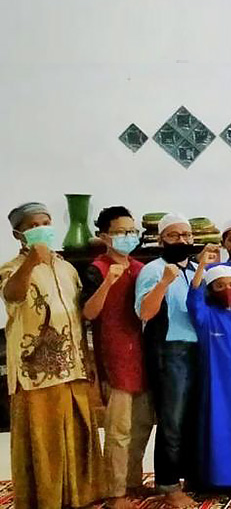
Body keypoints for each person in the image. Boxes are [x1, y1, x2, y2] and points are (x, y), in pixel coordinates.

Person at [2, 202, 104, 509]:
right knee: (44, 440)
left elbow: (77, 315)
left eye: (45, 223)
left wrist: (87, 357)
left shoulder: (66, 267)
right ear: (18, 234)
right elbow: (13, 295)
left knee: (78, 433)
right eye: (33, 226)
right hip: (36, 371)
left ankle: (81, 495)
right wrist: (31, 262)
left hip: (73, 364)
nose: (41, 229)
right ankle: (45, 499)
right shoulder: (11, 269)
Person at [81, 206, 153, 509]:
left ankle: (133, 480)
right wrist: (108, 282)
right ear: (104, 236)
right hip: (115, 354)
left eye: (132, 231)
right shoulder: (97, 269)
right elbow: (88, 313)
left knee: (142, 424)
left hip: (144, 353)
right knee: (118, 429)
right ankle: (115, 491)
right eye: (121, 232)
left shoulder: (141, 268)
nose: (128, 237)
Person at [135, 212, 201, 506]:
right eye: (174, 235)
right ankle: (169, 485)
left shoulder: (197, 269)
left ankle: (191, 476)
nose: (181, 240)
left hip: (198, 350)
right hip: (169, 351)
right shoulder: (152, 270)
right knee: (172, 421)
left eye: (186, 235)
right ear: (161, 240)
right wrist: (163, 283)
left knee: (193, 418)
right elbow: (144, 312)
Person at [187, 251, 231, 489]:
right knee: (219, 429)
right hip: (216, 386)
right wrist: (201, 267)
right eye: (220, 286)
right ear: (210, 290)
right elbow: (194, 298)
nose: (228, 289)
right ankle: (218, 478)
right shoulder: (206, 316)